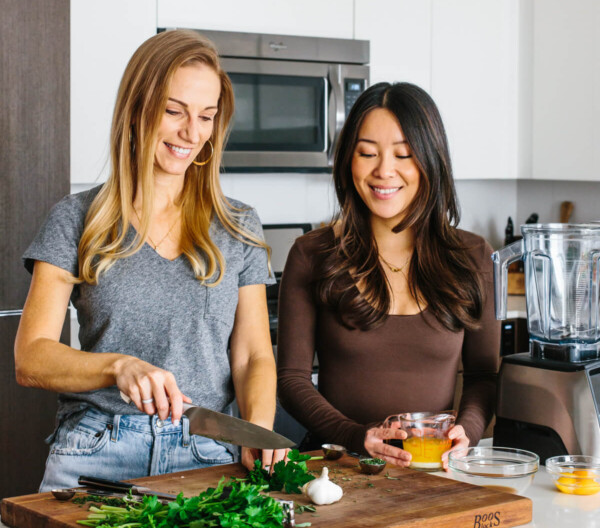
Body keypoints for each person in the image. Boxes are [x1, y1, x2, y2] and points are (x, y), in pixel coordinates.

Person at [14, 29, 286, 491]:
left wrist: (257, 430)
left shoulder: (238, 225)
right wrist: (117, 366)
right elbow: (31, 356)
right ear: (137, 109)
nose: (191, 132)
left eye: (206, 116)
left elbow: (253, 355)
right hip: (97, 452)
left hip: (206, 453)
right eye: (174, 111)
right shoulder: (77, 219)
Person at [276, 82, 500, 469]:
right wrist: (356, 436)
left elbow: (483, 375)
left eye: (404, 154)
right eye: (367, 153)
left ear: (430, 160)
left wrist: (468, 431)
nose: (384, 171)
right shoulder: (313, 254)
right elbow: (291, 379)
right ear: (349, 160)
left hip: (434, 468)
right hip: (338, 465)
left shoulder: (473, 256)